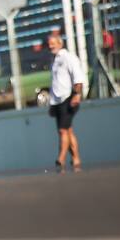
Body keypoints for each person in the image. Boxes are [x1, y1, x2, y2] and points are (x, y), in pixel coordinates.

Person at [47, 32, 85, 172]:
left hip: (68, 98)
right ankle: (76, 158)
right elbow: (54, 83)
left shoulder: (69, 58)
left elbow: (78, 78)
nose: (50, 46)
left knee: (63, 130)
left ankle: (60, 159)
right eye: (49, 44)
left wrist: (76, 95)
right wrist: (51, 103)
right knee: (67, 131)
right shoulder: (54, 60)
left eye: (53, 43)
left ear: (60, 43)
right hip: (57, 100)